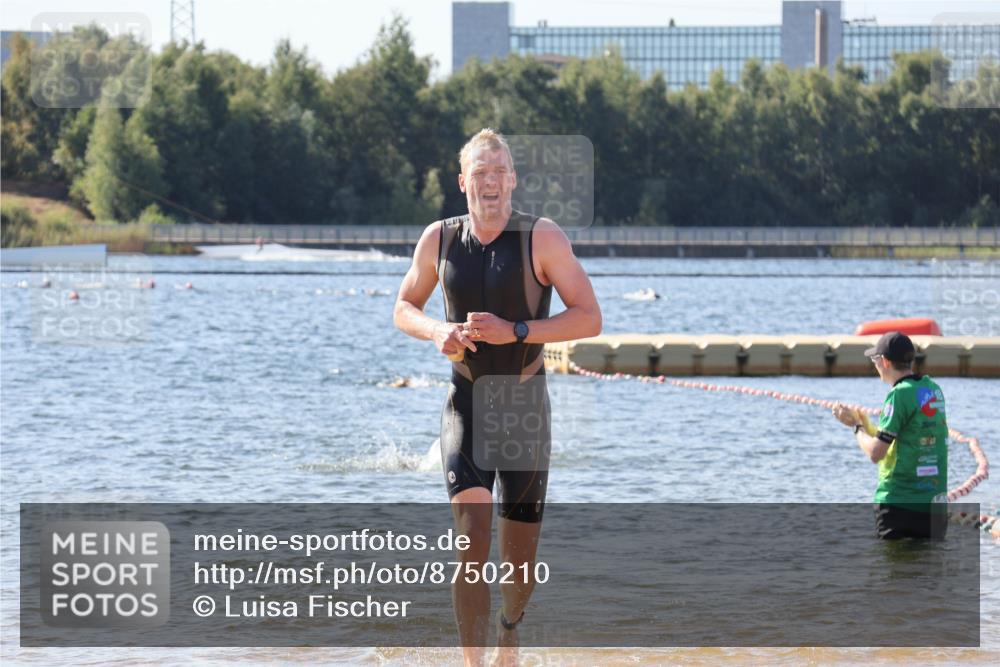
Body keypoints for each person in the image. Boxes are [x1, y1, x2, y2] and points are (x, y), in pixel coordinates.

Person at [394, 128, 601, 666]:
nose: (490, 182)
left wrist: (519, 331)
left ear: (513, 180)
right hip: (465, 402)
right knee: (471, 534)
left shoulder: (542, 238)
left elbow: (589, 316)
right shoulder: (438, 239)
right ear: (463, 182)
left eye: (499, 172)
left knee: (519, 566)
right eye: (479, 173)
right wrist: (436, 332)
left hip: (524, 408)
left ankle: (510, 629)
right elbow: (403, 306)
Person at [832, 332, 949, 540]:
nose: (875, 365)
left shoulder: (898, 394)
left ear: (884, 361)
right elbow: (907, 437)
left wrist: (856, 426)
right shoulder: (932, 389)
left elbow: (876, 453)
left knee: (894, 570)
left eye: (875, 360)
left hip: (900, 504)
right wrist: (868, 424)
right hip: (934, 504)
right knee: (928, 569)